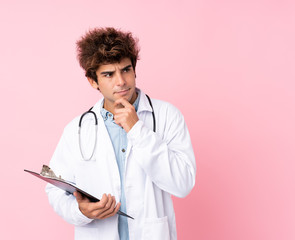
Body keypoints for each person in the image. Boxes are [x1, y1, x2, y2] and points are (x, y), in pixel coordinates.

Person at [45, 27, 196, 240]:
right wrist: (79, 211)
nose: (121, 81)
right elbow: (56, 190)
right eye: (108, 74)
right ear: (93, 81)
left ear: (135, 70)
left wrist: (137, 130)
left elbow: (183, 184)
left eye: (126, 70)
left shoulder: (167, 116)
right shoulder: (77, 129)